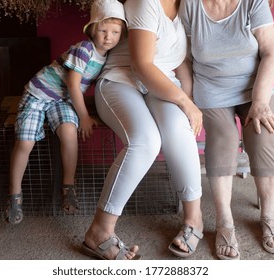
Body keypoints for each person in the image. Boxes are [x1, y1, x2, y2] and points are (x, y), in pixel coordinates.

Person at [82, 0, 204, 260]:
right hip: (120, 79)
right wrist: (184, 101)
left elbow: (178, 60)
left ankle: (194, 219)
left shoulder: (187, 6)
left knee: (178, 127)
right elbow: (141, 65)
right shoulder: (144, 2)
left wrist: (187, 98)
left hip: (160, 83)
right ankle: (99, 232)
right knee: (145, 140)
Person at [179, 0, 274, 259]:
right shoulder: (190, 6)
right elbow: (183, 56)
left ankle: (269, 214)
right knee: (224, 138)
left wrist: (260, 102)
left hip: (253, 87)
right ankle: (224, 221)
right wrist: (188, 99)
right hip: (211, 88)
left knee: (264, 135)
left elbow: (271, 50)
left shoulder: (253, 2)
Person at [5, 0, 127, 225]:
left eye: (115, 32)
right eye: (102, 30)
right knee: (25, 142)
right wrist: (84, 117)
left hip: (61, 100)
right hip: (39, 94)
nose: (108, 37)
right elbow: (73, 85)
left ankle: (68, 186)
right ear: (92, 29)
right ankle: (14, 195)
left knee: (69, 133)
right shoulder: (84, 49)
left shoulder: (108, 56)